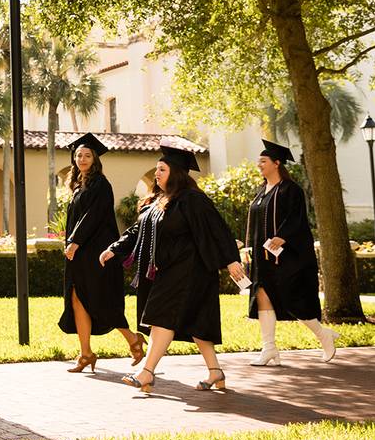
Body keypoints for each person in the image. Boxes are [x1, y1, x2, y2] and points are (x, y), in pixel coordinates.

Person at [100, 146, 245, 394]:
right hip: (166, 270)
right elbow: (137, 231)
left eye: (162, 169)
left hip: (190, 270)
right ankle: (215, 372)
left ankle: (147, 372)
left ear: (176, 173)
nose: (156, 173)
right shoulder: (156, 202)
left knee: (161, 316)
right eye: (156, 169)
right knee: (197, 323)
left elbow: (216, 229)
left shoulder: (192, 200)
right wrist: (115, 248)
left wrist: (231, 259)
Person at [245, 140, 337, 365]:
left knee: (292, 299)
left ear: (277, 163)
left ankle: (323, 335)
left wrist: (283, 236)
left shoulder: (290, 189)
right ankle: (269, 349)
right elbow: (254, 223)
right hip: (262, 257)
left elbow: (297, 219)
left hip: (286, 258)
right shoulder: (261, 191)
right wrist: (248, 246)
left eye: (263, 161)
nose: (259, 165)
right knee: (262, 297)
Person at [58, 133, 145, 371]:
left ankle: (132, 338)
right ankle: (85, 353)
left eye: (87, 155)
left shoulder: (100, 184)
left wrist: (75, 241)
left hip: (96, 252)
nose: (82, 159)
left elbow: (92, 216)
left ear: (95, 159)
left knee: (99, 300)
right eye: (79, 155)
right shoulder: (78, 185)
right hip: (80, 254)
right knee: (77, 299)